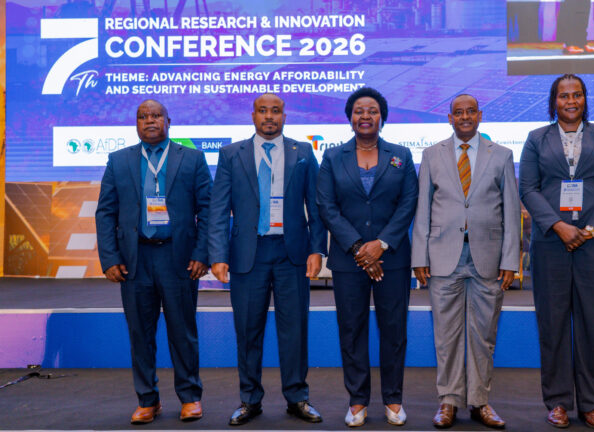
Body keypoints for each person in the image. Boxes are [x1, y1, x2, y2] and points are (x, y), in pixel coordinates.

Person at [208, 93, 327, 426]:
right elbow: (218, 209)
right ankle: (249, 400)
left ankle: (298, 397)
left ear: (285, 116)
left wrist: (317, 250)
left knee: (295, 330)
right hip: (249, 254)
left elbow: (316, 206)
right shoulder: (231, 154)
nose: (270, 116)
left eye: (276, 111)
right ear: (253, 115)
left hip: (292, 254)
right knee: (248, 330)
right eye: (263, 111)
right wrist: (217, 254)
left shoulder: (302, 152)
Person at [519, 74, 594, 430]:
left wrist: (592, 227)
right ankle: (558, 402)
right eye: (563, 96)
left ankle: (591, 404)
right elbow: (529, 188)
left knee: (590, 324)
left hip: (593, 243)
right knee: (551, 325)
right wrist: (559, 225)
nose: (571, 101)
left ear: (585, 99)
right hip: (551, 242)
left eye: (577, 94)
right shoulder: (537, 139)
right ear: (554, 102)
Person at [95, 99, 210, 424]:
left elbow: (209, 209)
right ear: (136, 123)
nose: (149, 121)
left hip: (179, 258)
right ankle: (147, 400)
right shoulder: (118, 161)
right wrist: (109, 258)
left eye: (156, 115)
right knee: (140, 333)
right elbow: (105, 212)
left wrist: (202, 254)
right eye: (143, 116)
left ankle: (190, 398)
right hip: (135, 260)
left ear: (168, 121)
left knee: (182, 331)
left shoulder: (192, 159)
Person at [412, 94, 520, 429]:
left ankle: (480, 402)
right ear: (449, 118)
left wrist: (511, 260)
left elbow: (512, 211)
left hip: (488, 258)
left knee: (483, 334)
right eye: (458, 113)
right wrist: (419, 256)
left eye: (470, 112)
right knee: (446, 335)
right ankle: (448, 401)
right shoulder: (432, 155)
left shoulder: (501, 155)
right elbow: (423, 208)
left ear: (480, 116)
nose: (464, 117)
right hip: (443, 258)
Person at [316, 87, 418, 427]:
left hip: (393, 258)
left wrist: (382, 244)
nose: (365, 116)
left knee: (394, 330)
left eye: (372, 110)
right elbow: (327, 206)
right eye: (359, 110)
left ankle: (393, 399)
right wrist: (360, 246)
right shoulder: (333, 157)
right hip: (349, 260)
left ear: (382, 116)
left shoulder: (401, 155)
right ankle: (357, 400)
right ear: (349, 117)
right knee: (352, 329)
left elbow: (408, 204)